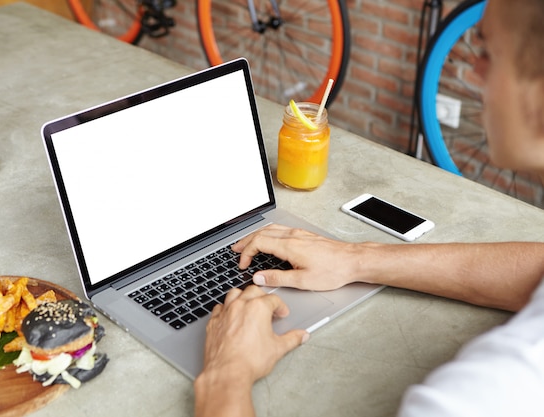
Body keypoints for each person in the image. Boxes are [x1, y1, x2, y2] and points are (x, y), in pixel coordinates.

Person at [193, 0, 544, 416]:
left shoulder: (489, 391)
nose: (472, 74)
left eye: (487, 53)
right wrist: (356, 257)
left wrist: (226, 374)